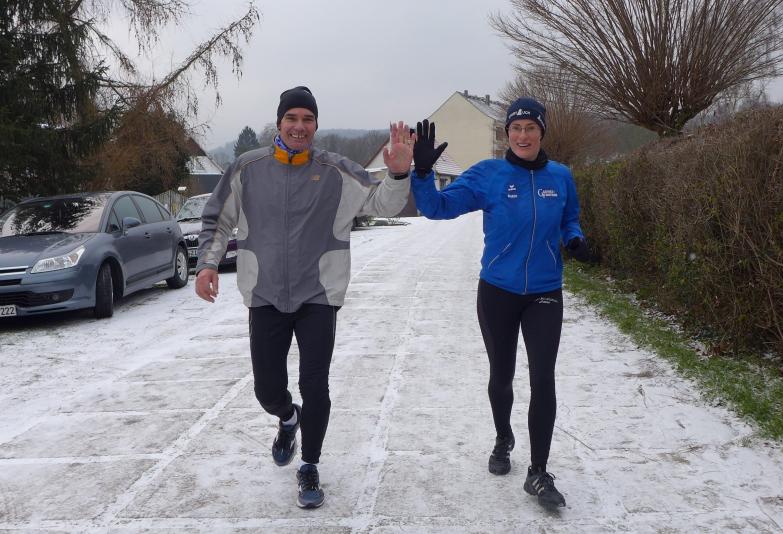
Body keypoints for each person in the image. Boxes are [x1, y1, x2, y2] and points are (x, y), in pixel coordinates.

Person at [194, 86, 413, 509]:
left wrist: (399, 174)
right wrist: (207, 264)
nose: (299, 127)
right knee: (267, 389)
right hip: (265, 293)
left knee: (316, 385)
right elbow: (217, 219)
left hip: (318, 294)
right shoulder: (248, 168)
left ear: (316, 125)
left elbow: (382, 203)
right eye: (292, 118)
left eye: (307, 119)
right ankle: (287, 417)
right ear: (279, 123)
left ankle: (309, 465)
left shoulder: (336, 170)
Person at [409, 99, 591, 510]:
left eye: (530, 128)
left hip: (545, 291)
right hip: (498, 292)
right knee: (502, 375)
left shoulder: (561, 176)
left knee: (543, 378)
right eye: (516, 128)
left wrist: (574, 238)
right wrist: (421, 174)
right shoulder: (488, 175)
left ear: (542, 132)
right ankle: (503, 437)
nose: (523, 135)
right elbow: (436, 208)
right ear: (507, 133)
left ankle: (538, 472)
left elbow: (570, 218)